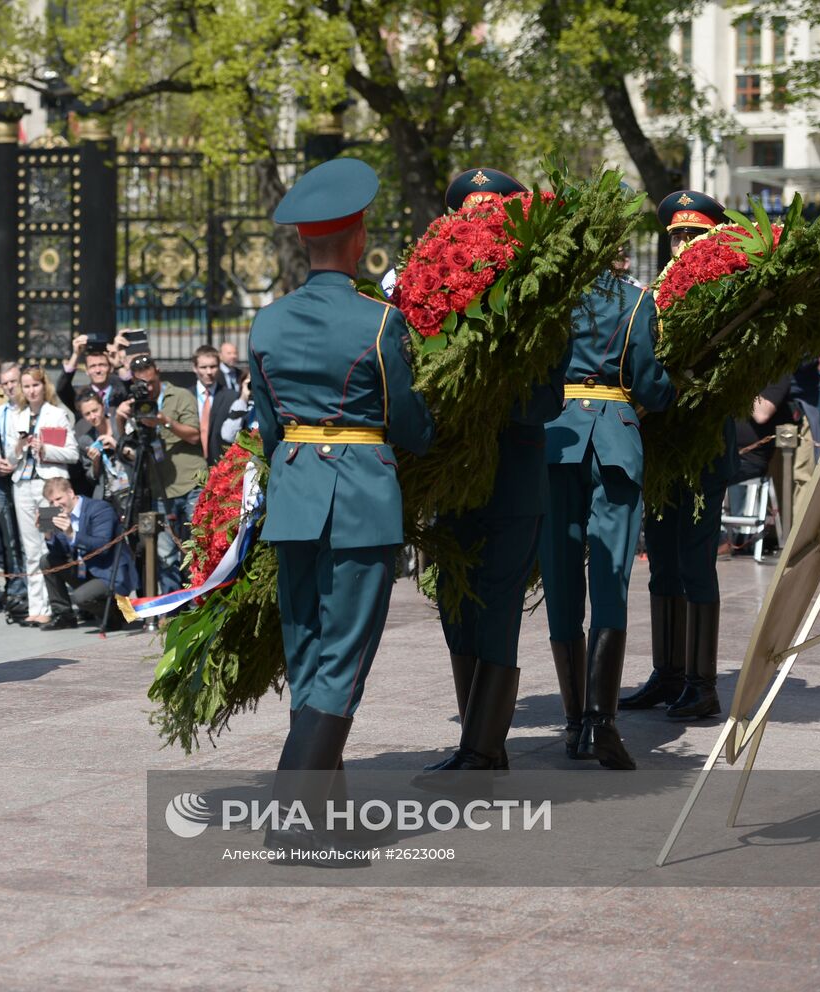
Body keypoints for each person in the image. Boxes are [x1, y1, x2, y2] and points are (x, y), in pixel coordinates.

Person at [249, 159, 435, 856]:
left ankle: (324, 816)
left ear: (306, 242)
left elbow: (268, 429)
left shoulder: (268, 323)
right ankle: (292, 822)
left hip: (295, 498)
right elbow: (409, 424)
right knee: (343, 661)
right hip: (360, 498)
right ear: (358, 240)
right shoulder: (379, 322)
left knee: (308, 655)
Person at [419, 168, 566, 775]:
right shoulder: (436, 300)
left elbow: (548, 402)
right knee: (456, 599)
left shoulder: (544, 302)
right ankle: (474, 737)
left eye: (491, 215)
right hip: (454, 477)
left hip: (512, 474)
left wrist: (491, 391)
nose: (479, 225)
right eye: (468, 217)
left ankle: (484, 748)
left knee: (499, 603)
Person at [538, 229, 676, 769]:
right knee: (611, 577)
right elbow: (650, 386)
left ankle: (574, 724)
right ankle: (602, 723)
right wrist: (673, 386)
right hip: (616, 440)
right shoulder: (639, 300)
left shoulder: (553, 302)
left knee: (561, 574)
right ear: (615, 252)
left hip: (558, 441)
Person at [624, 191, 738, 722]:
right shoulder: (655, 295)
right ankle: (668, 673)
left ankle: (702, 683)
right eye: (677, 235)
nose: (684, 244)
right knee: (662, 563)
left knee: (695, 563)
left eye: (695, 235)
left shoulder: (732, 298)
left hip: (702, 446)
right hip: (660, 442)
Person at [0, 366, 79, 625]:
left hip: (48, 486)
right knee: (30, 548)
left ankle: (56, 605)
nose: (31, 390)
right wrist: (18, 448)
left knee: (49, 544)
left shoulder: (56, 415)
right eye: (26, 386)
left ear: (44, 386)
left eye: (35, 385)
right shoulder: (17, 416)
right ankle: (36, 605)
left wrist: (46, 448)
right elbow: (8, 456)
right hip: (23, 485)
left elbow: (72, 454)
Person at [115, 354, 206, 593]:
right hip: (159, 487)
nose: (148, 388)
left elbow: (195, 435)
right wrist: (119, 419)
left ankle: (203, 603)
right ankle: (172, 612)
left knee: (199, 549)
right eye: (142, 383)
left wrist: (165, 422)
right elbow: (127, 449)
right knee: (166, 556)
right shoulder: (135, 404)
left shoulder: (180, 396)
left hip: (190, 482)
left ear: (158, 373)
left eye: (151, 382)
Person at [38, 477, 139, 630]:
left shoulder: (99, 508)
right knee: (47, 560)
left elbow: (102, 547)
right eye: (51, 502)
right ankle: (63, 615)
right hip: (85, 571)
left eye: (59, 498)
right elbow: (60, 553)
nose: (56, 505)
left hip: (109, 572)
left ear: (71, 493)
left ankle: (115, 615)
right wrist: (48, 534)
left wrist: (72, 533)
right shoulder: (60, 516)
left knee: (80, 597)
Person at [0, 361, 29, 620]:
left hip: (24, 477)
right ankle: (15, 584)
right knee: (9, 536)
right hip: (2, 478)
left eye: (15, 381)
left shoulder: (29, 410)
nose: (11, 386)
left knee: (28, 536)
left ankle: (33, 585)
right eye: (6, 382)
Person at [75, 388, 130, 503]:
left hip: (130, 488)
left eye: (95, 410)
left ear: (103, 406)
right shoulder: (86, 440)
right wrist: (95, 461)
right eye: (87, 414)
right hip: (107, 496)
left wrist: (116, 447)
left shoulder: (121, 425)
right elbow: (91, 478)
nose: (93, 416)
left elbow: (137, 456)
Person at [191, 344, 240, 464]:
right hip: (192, 465)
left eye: (213, 367)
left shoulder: (232, 397)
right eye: (203, 367)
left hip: (221, 465)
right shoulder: (186, 395)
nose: (209, 372)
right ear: (195, 368)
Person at [57, 333, 130, 413]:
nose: (98, 370)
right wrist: (76, 354)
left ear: (110, 368)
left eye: (102, 365)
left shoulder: (121, 393)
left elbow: (131, 388)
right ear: (87, 371)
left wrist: (118, 365)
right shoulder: (79, 395)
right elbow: (62, 389)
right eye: (92, 366)